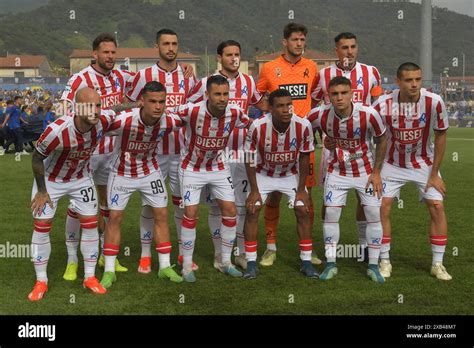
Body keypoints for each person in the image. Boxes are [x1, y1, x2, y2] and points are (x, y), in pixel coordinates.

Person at [60, 32, 136, 280]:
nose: (111, 57)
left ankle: (105, 254)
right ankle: (72, 260)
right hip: (85, 153)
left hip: (112, 152)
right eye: (106, 52)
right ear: (95, 54)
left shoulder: (122, 77)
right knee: (76, 205)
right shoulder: (80, 79)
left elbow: (149, 80)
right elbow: (64, 110)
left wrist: (187, 69)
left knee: (107, 205)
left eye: (114, 52)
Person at [125, 28, 197, 274]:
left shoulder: (189, 76)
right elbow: (131, 106)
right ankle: (145, 255)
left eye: (174, 43)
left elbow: (195, 110)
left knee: (180, 204)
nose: (171, 48)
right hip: (151, 153)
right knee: (149, 205)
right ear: (157, 46)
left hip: (180, 152)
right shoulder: (144, 75)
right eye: (166, 43)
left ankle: (181, 253)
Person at [100, 81, 185, 289]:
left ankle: (165, 265)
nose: (158, 106)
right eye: (153, 101)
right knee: (115, 217)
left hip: (150, 171)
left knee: (162, 214)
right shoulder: (124, 121)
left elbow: (190, 117)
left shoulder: (170, 120)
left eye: (162, 102)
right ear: (142, 102)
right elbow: (99, 122)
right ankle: (109, 270)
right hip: (122, 173)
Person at [187, 39, 263, 271]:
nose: (234, 59)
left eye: (237, 54)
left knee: (241, 206)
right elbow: (188, 112)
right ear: (220, 57)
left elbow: (261, 106)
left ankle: (238, 253)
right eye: (229, 55)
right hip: (215, 157)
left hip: (242, 155)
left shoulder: (249, 81)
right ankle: (220, 254)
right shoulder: (205, 84)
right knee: (215, 207)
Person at [28, 87, 109, 301]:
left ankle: (90, 277)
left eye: (98, 105)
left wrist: (136, 105)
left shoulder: (102, 122)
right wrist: (43, 191)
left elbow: (118, 109)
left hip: (81, 179)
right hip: (51, 181)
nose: (95, 111)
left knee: (91, 224)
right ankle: (41, 281)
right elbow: (36, 158)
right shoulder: (56, 131)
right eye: (90, 106)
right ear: (76, 108)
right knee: (42, 226)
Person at [373, 62, 451, 280]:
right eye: (408, 80)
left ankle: (437, 264)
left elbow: (441, 135)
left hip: (423, 162)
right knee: (382, 207)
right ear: (398, 82)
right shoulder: (383, 104)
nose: (414, 84)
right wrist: (376, 171)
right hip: (391, 163)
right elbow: (372, 133)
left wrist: (434, 173)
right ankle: (385, 260)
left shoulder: (434, 102)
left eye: (418, 79)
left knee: (436, 206)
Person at [307, 76, 387, 283]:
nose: (339, 97)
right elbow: (303, 128)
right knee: (331, 213)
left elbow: (382, 139)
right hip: (337, 172)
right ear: (329, 96)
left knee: (372, 213)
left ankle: (373, 265)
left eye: (344, 93)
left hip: (366, 173)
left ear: (352, 93)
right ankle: (331, 263)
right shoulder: (319, 114)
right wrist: (321, 140)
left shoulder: (369, 114)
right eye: (334, 94)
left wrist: (377, 172)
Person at [312, 32, 383, 260]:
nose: (349, 51)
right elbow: (313, 107)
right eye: (344, 47)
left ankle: (364, 245)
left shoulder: (371, 71)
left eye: (353, 46)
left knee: (366, 201)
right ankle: (329, 248)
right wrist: (322, 136)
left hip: (363, 145)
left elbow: (379, 103)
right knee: (330, 200)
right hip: (333, 147)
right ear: (336, 50)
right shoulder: (323, 75)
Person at [256, 22, 321, 266]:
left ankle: (308, 249)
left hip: (303, 143)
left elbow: (315, 96)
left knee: (306, 197)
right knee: (272, 196)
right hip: (275, 143)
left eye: (303, 40)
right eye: (295, 40)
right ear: (285, 42)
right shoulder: (270, 68)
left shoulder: (312, 67)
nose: (299, 44)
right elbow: (257, 96)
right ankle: (270, 248)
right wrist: (266, 109)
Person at [174, 75, 250, 282]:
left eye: (226, 94)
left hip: (218, 166)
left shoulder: (235, 112)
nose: (222, 98)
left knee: (230, 210)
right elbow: (166, 117)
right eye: (217, 94)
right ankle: (187, 266)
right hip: (191, 168)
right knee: (190, 212)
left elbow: (252, 126)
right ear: (207, 94)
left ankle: (225, 262)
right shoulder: (191, 110)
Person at [243, 89, 318, 279]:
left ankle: (306, 261)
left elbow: (304, 157)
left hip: (289, 174)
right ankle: (251, 263)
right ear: (270, 108)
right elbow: (249, 158)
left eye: (288, 105)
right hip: (263, 173)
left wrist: (302, 190)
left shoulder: (303, 125)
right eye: (280, 106)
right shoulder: (258, 126)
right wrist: (253, 190)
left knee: (302, 209)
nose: (286, 110)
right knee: (253, 208)